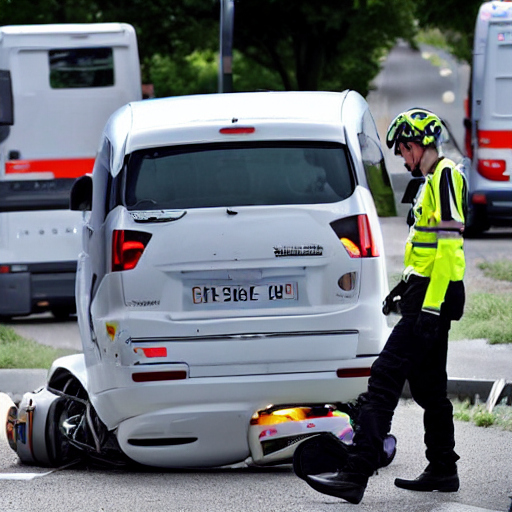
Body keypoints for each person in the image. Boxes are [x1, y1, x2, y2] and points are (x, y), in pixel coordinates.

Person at [298, 108, 468, 504]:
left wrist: (428, 306)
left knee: (383, 379)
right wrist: (403, 287)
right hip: (426, 293)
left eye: (402, 151)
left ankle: (355, 472)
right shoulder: (432, 181)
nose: (402, 159)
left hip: (432, 299)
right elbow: (426, 253)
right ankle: (443, 468)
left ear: (414, 145)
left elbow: (449, 247)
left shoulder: (444, 176)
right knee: (429, 389)